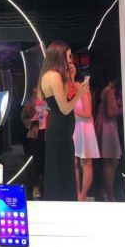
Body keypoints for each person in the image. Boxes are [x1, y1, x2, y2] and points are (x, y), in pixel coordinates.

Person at [37, 41, 88, 201]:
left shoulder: (53, 75)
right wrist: (80, 94)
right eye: (68, 56)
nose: (70, 60)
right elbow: (65, 108)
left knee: (62, 174)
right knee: (60, 176)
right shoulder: (53, 76)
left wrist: (71, 78)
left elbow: (65, 99)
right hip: (59, 131)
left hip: (62, 132)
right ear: (60, 55)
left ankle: (63, 207)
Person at [72, 72, 100, 202]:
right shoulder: (70, 91)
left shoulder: (83, 89)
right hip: (75, 128)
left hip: (84, 128)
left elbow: (88, 113)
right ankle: (77, 194)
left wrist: (70, 109)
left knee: (86, 163)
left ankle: (83, 195)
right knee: (75, 162)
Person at [95, 75, 123, 201]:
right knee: (110, 162)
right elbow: (110, 112)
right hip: (108, 128)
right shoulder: (109, 90)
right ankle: (109, 194)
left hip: (106, 127)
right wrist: (123, 108)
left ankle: (106, 193)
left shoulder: (105, 90)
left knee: (110, 162)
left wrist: (117, 104)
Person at [20, 88, 47, 199]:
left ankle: (45, 186)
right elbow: (24, 118)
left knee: (47, 161)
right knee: (36, 162)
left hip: (49, 133)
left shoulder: (51, 98)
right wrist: (32, 119)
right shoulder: (31, 102)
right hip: (36, 134)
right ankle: (36, 186)